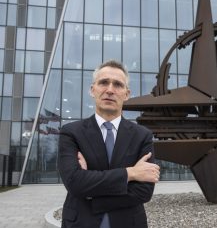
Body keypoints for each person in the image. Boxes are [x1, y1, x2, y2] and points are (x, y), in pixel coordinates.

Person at [58, 60, 160, 228]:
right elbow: (74, 182)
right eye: (104, 82)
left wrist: (91, 193)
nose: (110, 90)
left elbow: (143, 192)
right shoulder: (71, 132)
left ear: (127, 94)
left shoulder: (143, 136)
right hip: (81, 222)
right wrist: (130, 173)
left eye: (118, 85)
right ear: (93, 89)